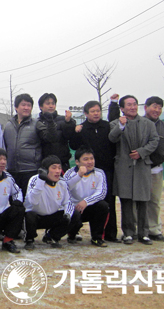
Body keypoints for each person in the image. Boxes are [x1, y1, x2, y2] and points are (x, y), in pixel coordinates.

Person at [108, 95, 159, 245]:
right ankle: (128, 233)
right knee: (126, 201)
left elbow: (154, 140)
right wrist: (121, 127)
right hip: (124, 167)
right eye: (128, 105)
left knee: (143, 201)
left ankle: (144, 233)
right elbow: (111, 138)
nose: (132, 107)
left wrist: (142, 152)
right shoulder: (116, 123)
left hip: (142, 166)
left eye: (134, 104)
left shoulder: (148, 124)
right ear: (122, 108)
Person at [69, 100, 118, 242]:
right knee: (80, 198)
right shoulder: (82, 128)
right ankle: (74, 231)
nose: (96, 113)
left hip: (106, 170)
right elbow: (73, 145)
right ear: (86, 114)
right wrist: (76, 132)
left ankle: (109, 234)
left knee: (108, 202)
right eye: (93, 111)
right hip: (85, 172)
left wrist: (114, 104)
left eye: (98, 111)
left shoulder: (107, 126)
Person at [143, 96, 164, 242]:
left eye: (159, 107)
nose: (157, 110)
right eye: (154, 106)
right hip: (139, 169)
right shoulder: (137, 123)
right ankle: (139, 230)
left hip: (156, 170)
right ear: (146, 107)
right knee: (137, 202)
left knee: (154, 201)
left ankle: (154, 230)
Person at [24, 155, 75, 250]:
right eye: (54, 168)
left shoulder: (63, 182)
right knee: (29, 215)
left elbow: (68, 202)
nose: (58, 171)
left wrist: (67, 215)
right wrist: (41, 181)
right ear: (45, 169)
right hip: (37, 217)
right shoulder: (35, 180)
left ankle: (51, 236)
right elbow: (33, 201)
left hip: (52, 216)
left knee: (74, 214)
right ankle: (29, 239)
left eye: (59, 168)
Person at [64, 147, 109, 247]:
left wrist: (86, 201)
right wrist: (79, 175)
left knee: (103, 206)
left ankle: (97, 238)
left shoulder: (99, 173)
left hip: (89, 206)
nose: (90, 162)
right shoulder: (69, 173)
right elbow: (65, 189)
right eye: (86, 159)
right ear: (77, 162)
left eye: (91, 158)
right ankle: (72, 234)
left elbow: (101, 193)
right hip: (74, 208)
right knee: (73, 215)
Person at [3, 93, 42, 196]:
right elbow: (5, 146)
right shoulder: (8, 125)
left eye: (29, 105)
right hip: (12, 171)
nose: (26, 108)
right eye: (23, 105)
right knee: (14, 202)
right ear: (16, 107)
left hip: (31, 170)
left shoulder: (36, 124)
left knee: (29, 202)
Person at [36, 93, 75, 172]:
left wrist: (69, 122)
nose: (51, 106)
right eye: (48, 103)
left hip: (62, 163)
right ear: (41, 106)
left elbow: (69, 136)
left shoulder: (63, 119)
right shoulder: (37, 122)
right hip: (44, 163)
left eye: (53, 103)